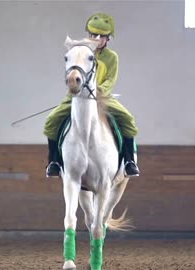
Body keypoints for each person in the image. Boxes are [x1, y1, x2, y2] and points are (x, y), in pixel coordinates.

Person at [44, 12, 140, 178]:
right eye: (92, 35)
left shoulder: (111, 57)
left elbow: (111, 79)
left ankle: (129, 161)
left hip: (102, 97)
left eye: (100, 36)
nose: (96, 38)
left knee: (128, 119)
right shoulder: (80, 53)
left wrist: (100, 90)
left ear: (107, 39)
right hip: (76, 97)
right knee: (51, 120)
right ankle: (54, 162)